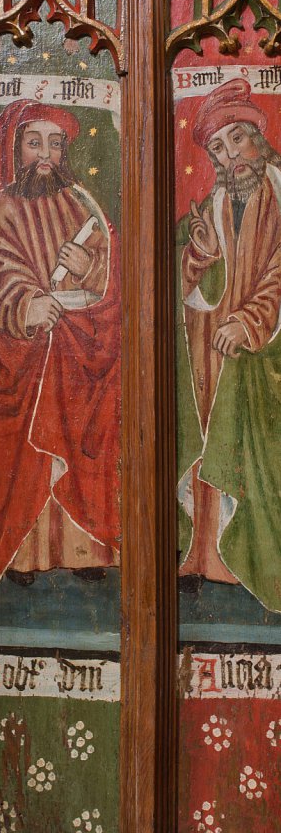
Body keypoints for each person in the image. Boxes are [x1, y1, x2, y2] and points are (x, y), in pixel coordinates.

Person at [0, 98, 121, 593]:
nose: (46, 155)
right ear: (14, 149)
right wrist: (26, 304)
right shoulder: (3, 208)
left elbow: (107, 266)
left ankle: (84, 549)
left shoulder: (78, 204)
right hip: (26, 352)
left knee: (83, 436)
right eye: (34, 142)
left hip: (75, 350)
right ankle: (24, 553)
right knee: (31, 454)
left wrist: (91, 269)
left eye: (54, 144)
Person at [177, 77, 281, 611]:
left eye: (237, 139)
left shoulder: (279, 193)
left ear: (259, 140)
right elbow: (189, 276)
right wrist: (197, 257)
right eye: (218, 148)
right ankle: (205, 558)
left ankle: (258, 562)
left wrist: (252, 320)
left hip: (264, 357)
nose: (230, 156)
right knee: (208, 443)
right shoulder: (217, 203)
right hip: (213, 352)